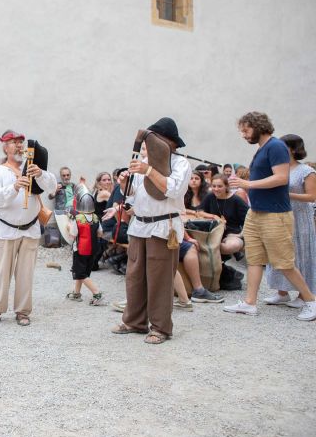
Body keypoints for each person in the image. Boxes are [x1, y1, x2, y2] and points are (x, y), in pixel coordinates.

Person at [224, 112, 316, 321]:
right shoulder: (262, 149)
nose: (243, 135)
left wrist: (248, 184)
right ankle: (250, 303)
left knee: (284, 262)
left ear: (258, 126)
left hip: (274, 214)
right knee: (255, 259)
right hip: (256, 213)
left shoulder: (276, 146)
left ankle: (311, 301)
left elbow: (281, 178)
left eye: (246, 130)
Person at [111, 117, 191, 344]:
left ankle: (160, 327)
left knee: (160, 279)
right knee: (134, 277)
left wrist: (148, 170)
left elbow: (173, 189)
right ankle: (134, 321)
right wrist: (124, 183)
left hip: (163, 227)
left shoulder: (180, 164)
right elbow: (133, 194)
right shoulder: (144, 162)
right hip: (140, 225)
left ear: (168, 142)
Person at [0, 131, 57, 327]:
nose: (18, 146)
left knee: (25, 274)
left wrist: (40, 174)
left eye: (20, 142)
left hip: (30, 229)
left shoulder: (31, 166)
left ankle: (23, 311)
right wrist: (15, 187)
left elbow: (52, 187)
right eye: (13, 142)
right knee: (1, 273)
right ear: (5, 148)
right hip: (7, 229)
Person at [263, 134, 316, 309]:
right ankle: (282, 292)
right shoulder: (277, 169)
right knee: (279, 253)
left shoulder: (306, 171)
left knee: (301, 254)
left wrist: (287, 194)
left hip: (299, 218)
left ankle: (303, 295)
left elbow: (312, 196)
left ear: (293, 149)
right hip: (279, 216)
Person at [65, 187, 105, 305]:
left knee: (80, 273)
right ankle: (76, 293)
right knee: (83, 271)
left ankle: (97, 293)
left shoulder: (77, 219)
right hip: (93, 250)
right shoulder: (96, 218)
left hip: (80, 250)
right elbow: (100, 233)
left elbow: (73, 235)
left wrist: (68, 227)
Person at [198, 174, 248, 259]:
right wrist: (214, 216)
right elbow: (199, 212)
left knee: (229, 246)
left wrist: (240, 235)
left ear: (226, 186)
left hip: (232, 233)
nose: (216, 189)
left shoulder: (236, 200)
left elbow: (250, 219)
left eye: (219, 186)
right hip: (213, 232)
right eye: (214, 186)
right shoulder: (210, 196)